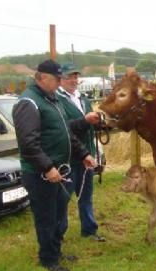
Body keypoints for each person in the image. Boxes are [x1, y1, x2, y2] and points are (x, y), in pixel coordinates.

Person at [12, 59, 96, 271]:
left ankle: (56, 251)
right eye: (57, 79)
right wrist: (48, 168)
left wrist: (84, 153)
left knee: (59, 215)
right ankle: (48, 259)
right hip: (41, 175)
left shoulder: (52, 100)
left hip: (59, 172)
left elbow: (67, 134)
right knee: (47, 218)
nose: (60, 82)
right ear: (42, 77)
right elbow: (29, 144)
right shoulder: (28, 103)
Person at [56, 63, 106, 242]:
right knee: (63, 198)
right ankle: (58, 234)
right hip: (68, 158)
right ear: (60, 79)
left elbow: (88, 125)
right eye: (70, 76)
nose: (74, 80)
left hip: (87, 157)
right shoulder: (57, 100)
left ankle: (89, 230)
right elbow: (63, 129)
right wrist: (85, 120)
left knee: (86, 196)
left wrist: (98, 122)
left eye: (76, 76)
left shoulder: (83, 99)